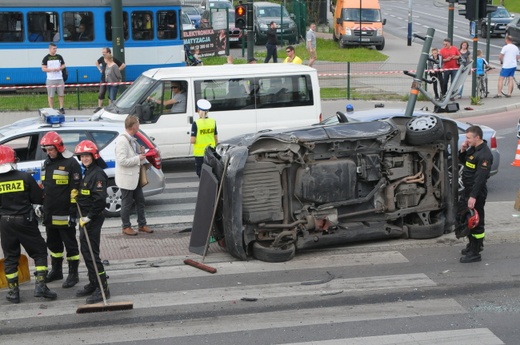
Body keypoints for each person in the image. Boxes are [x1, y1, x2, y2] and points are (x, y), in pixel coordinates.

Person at [0, 145, 57, 304]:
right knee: (39, 252)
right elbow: (38, 199)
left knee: (10, 257)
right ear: (13, 160)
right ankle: (40, 287)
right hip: (25, 221)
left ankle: (13, 292)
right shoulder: (25, 177)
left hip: (5, 222)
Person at [39, 131, 82, 289]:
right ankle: (57, 271)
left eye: (50, 149)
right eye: (46, 150)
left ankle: (73, 274)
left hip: (65, 213)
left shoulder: (71, 163)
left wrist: (72, 213)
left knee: (70, 244)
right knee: (53, 244)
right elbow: (45, 188)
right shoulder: (46, 164)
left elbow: (75, 189)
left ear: (58, 147)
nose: (48, 152)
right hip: (50, 212)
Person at [73, 140, 111, 304]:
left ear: (93, 156)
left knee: (92, 254)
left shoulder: (98, 174)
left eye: (87, 155)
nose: (84, 158)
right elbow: (88, 194)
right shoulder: (87, 172)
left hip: (92, 219)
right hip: (86, 219)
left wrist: (88, 217)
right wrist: (78, 195)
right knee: (86, 252)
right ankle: (93, 283)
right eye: (82, 156)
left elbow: (100, 200)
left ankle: (103, 288)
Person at [458, 126, 493, 263]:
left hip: (476, 192)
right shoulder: (473, 149)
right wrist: (463, 150)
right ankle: (472, 245)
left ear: (477, 137)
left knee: (476, 221)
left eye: (468, 138)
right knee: (469, 219)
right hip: (469, 190)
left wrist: (473, 196)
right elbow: (464, 162)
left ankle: (475, 252)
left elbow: (480, 179)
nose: (466, 140)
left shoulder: (484, 155)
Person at [115, 115, 153, 236]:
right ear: (134, 126)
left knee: (140, 201)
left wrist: (140, 153)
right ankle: (126, 226)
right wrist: (138, 158)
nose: (139, 127)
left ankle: (142, 224)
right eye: (138, 124)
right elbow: (122, 161)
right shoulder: (122, 141)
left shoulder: (131, 139)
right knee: (127, 203)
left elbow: (133, 157)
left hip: (134, 177)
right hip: (127, 178)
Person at [190, 99, 218, 177]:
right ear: (207, 111)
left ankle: (204, 188)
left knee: (201, 173)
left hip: (199, 154)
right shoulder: (213, 122)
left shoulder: (196, 123)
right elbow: (216, 138)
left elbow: (193, 140)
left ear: (198, 110)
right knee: (212, 173)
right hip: (211, 152)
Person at [94, 47, 126, 113]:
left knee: (111, 96)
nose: (103, 54)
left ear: (108, 53)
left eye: (104, 53)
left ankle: (111, 107)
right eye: (102, 53)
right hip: (104, 79)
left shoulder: (113, 60)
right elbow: (96, 62)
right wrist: (99, 69)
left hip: (111, 81)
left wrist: (116, 70)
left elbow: (123, 65)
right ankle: (100, 107)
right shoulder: (102, 58)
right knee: (101, 93)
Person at [41, 43, 66, 114]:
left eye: (56, 48)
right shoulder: (46, 58)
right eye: (54, 48)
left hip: (59, 78)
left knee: (61, 94)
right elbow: (43, 68)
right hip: (51, 79)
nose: (55, 50)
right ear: (50, 49)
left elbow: (64, 65)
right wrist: (52, 69)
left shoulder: (59, 57)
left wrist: (60, 68)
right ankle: (51, 108)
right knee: (51, 95)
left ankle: (61, 107)